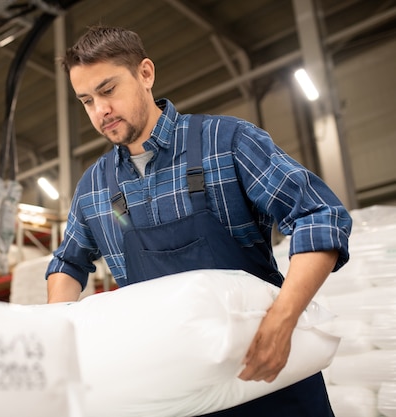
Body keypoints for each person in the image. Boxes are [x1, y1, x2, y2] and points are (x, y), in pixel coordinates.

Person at [45, 25, 352, 416]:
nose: (99, 111)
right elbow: (67, 262)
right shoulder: (94, 187)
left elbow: (318, 216)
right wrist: (55, 342)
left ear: (145, 74)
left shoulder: (226, 142)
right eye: (86, 100)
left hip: (266, 374)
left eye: (108, 90)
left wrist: (282, 322)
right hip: (176, 392)